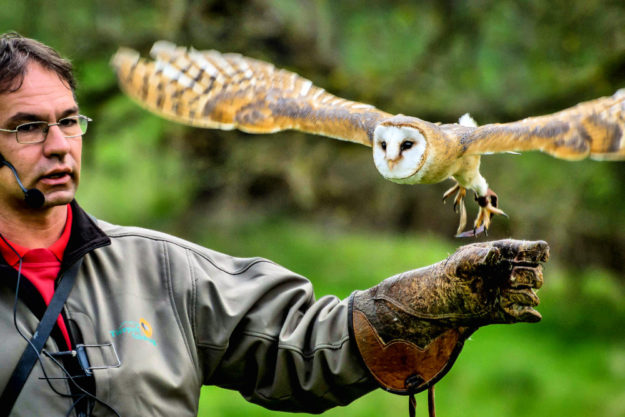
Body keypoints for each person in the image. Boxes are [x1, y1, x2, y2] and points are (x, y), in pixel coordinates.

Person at [0, 32, 548, 417]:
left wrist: (413, 308)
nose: (59, 145)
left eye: (70, 121)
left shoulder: (158, 269)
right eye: (28, 128)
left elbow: (294, 344)